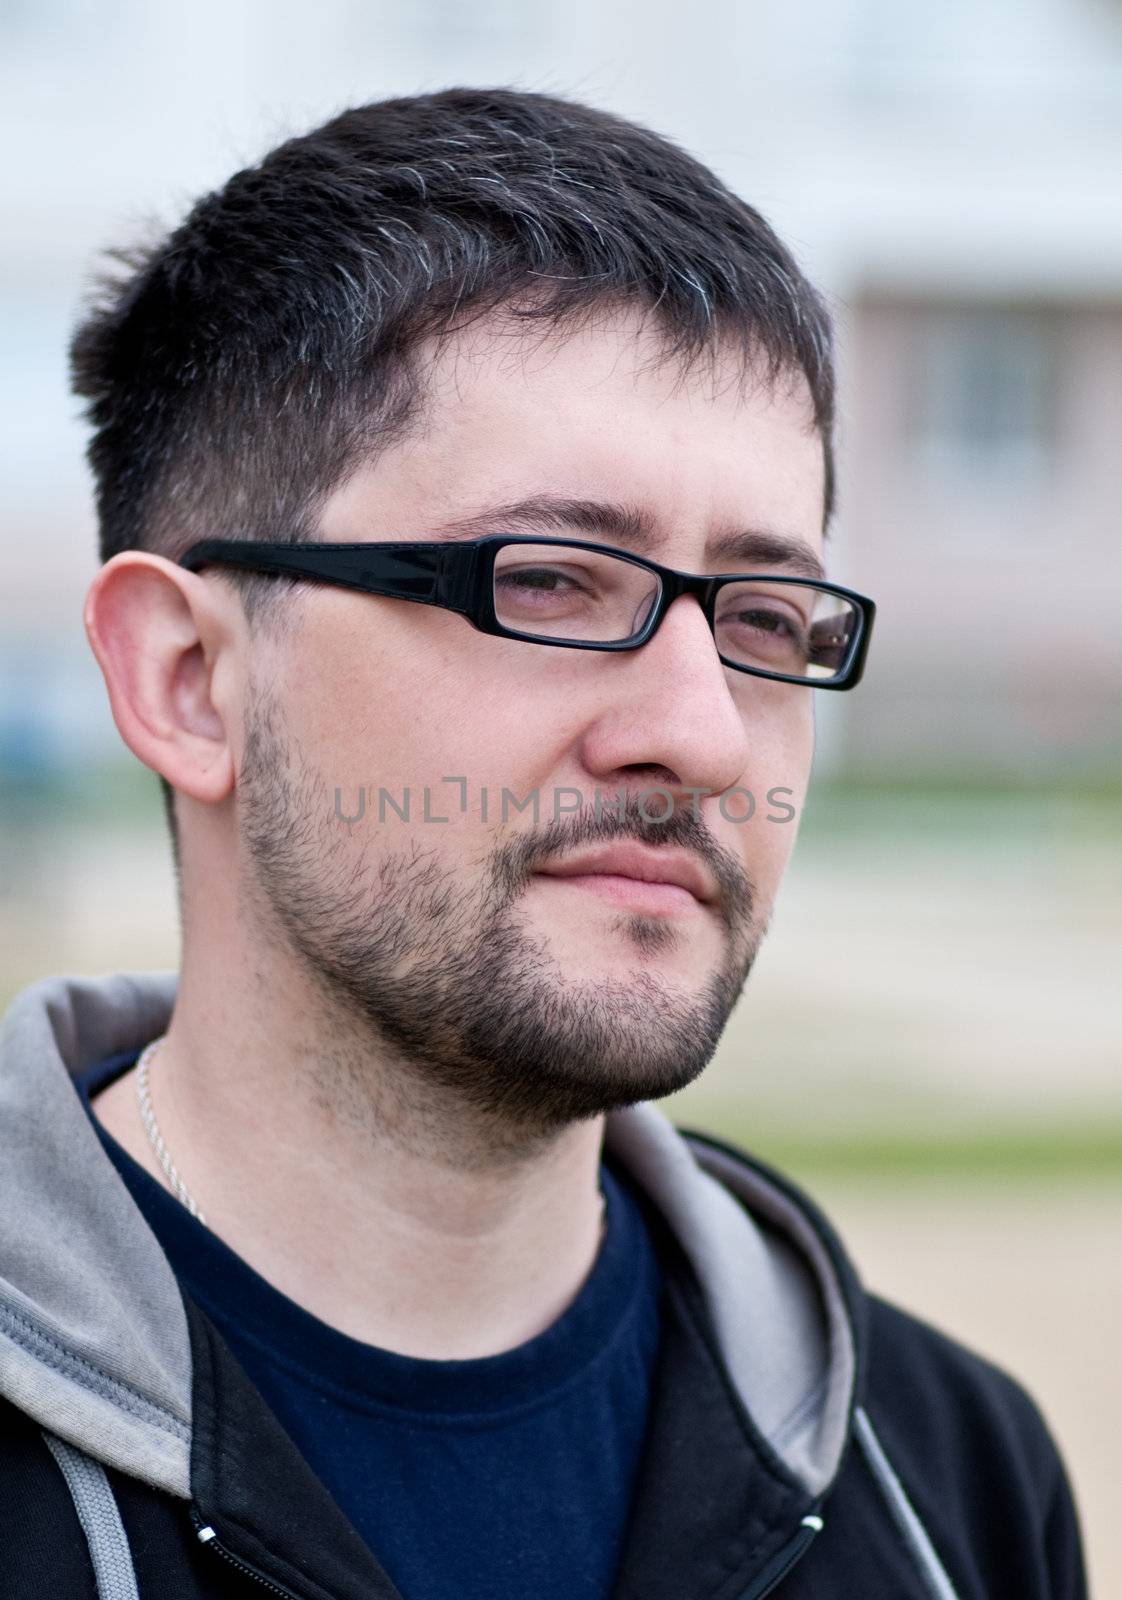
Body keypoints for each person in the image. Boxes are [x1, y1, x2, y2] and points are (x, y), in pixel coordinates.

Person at [0, 87, 1086, 1600]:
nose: (701, 734)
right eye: (552, 585)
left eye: (765, 618)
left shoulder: (946, 1476)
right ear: (190, 680)